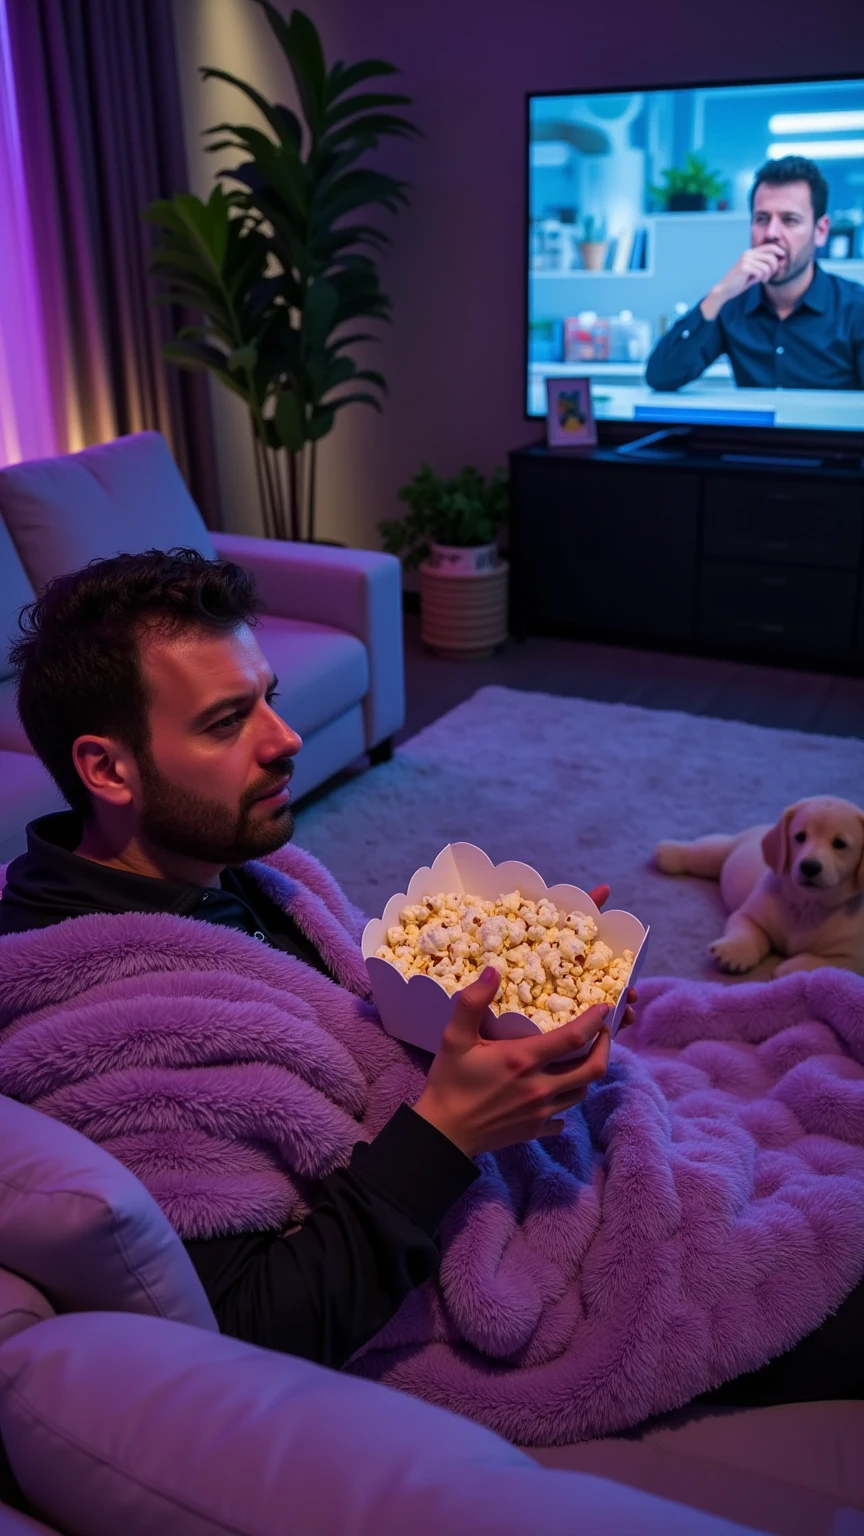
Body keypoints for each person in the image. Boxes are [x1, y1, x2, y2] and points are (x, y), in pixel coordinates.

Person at [0, 547, 629, 1370]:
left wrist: (509, 972)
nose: (286, 738)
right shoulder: (100, 1026)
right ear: (107, 769)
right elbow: (258, 1325)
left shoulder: (235, 875)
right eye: (228, 722)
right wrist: (448, 1131)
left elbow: (356, 1020)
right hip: (489, 1256)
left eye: (270, 698)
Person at [645, 155, 864, 392]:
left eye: (789, 220)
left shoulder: (855, 308)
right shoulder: (732, 305)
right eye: (762, 219)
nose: (771, 233)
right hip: (756, 431)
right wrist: (719, 294)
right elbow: (661, 376)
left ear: (820, 231)